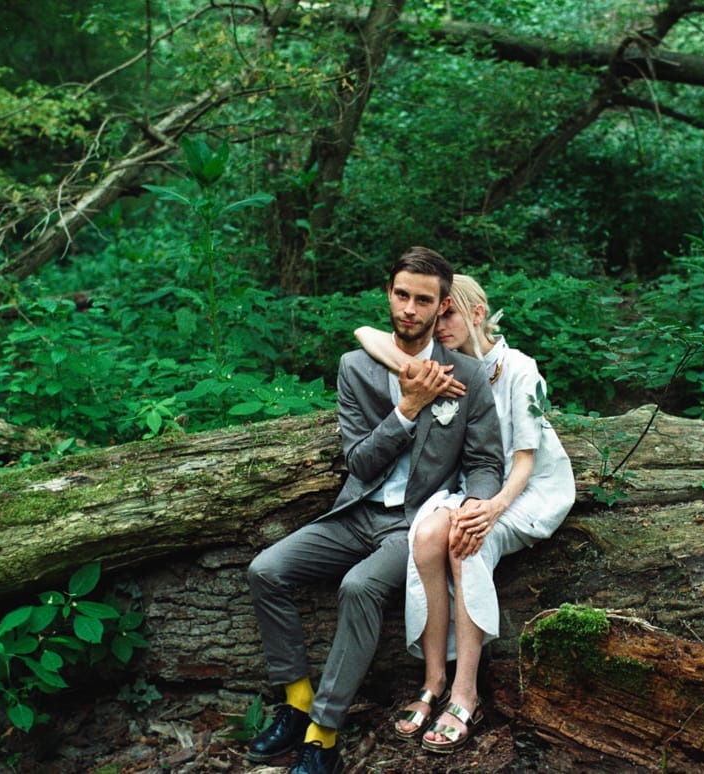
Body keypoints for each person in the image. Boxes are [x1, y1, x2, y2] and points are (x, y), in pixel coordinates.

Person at [246, 248, 504, 774]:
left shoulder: (468, 376)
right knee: (265, 571)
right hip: (357, 512)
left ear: (442, 306)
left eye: (423, 300)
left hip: (413, 523)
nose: (409, 308)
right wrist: (408, 408)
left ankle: (324, 731)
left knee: (359, 587)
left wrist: (478, 505)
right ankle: (297, 701)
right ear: (388, 293)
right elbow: (360, 460)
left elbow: (485, 462)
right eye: (402, 294)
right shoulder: (356, 368)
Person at [355, 273, 575, 754]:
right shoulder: (447, 368)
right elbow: (366, 336)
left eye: (448, 313)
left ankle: (466, 692)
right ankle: (432, 679)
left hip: (527, 491)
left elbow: (525, 458)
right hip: (477, 486)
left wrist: (492, 510)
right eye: (438, 314)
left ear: (477, 314)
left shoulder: (519, 369)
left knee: (463, 536)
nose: (438, 322)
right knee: (427, 533)